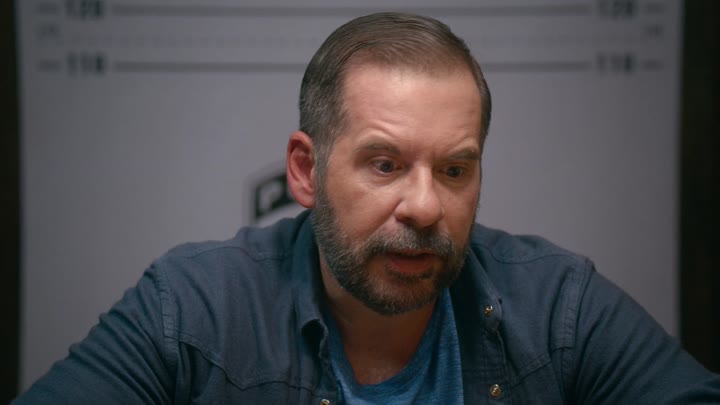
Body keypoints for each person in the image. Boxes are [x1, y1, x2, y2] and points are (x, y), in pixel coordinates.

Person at [14, 12, 720, 404]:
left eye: (454, 169)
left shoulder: (559, 305)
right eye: (385, 164)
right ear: (305, 170)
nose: (425, 207)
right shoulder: (193, 309)